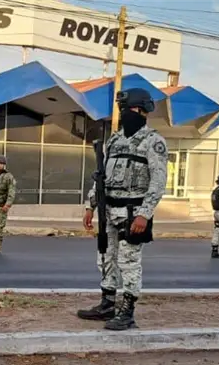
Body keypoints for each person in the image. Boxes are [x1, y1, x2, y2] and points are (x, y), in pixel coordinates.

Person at [77, 88, 168, 331]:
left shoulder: (153, 141)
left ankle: (127, 312)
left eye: (129, 109)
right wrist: (90, 205)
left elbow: (158, 182)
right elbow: (101, 177)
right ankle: (107, 304)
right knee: (105, 258)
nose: (125, 113)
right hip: (108, 210)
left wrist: (144, 214)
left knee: (129, 262)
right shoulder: (115, 140)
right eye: (122, 109)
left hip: (133, 212)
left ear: (141, 111)